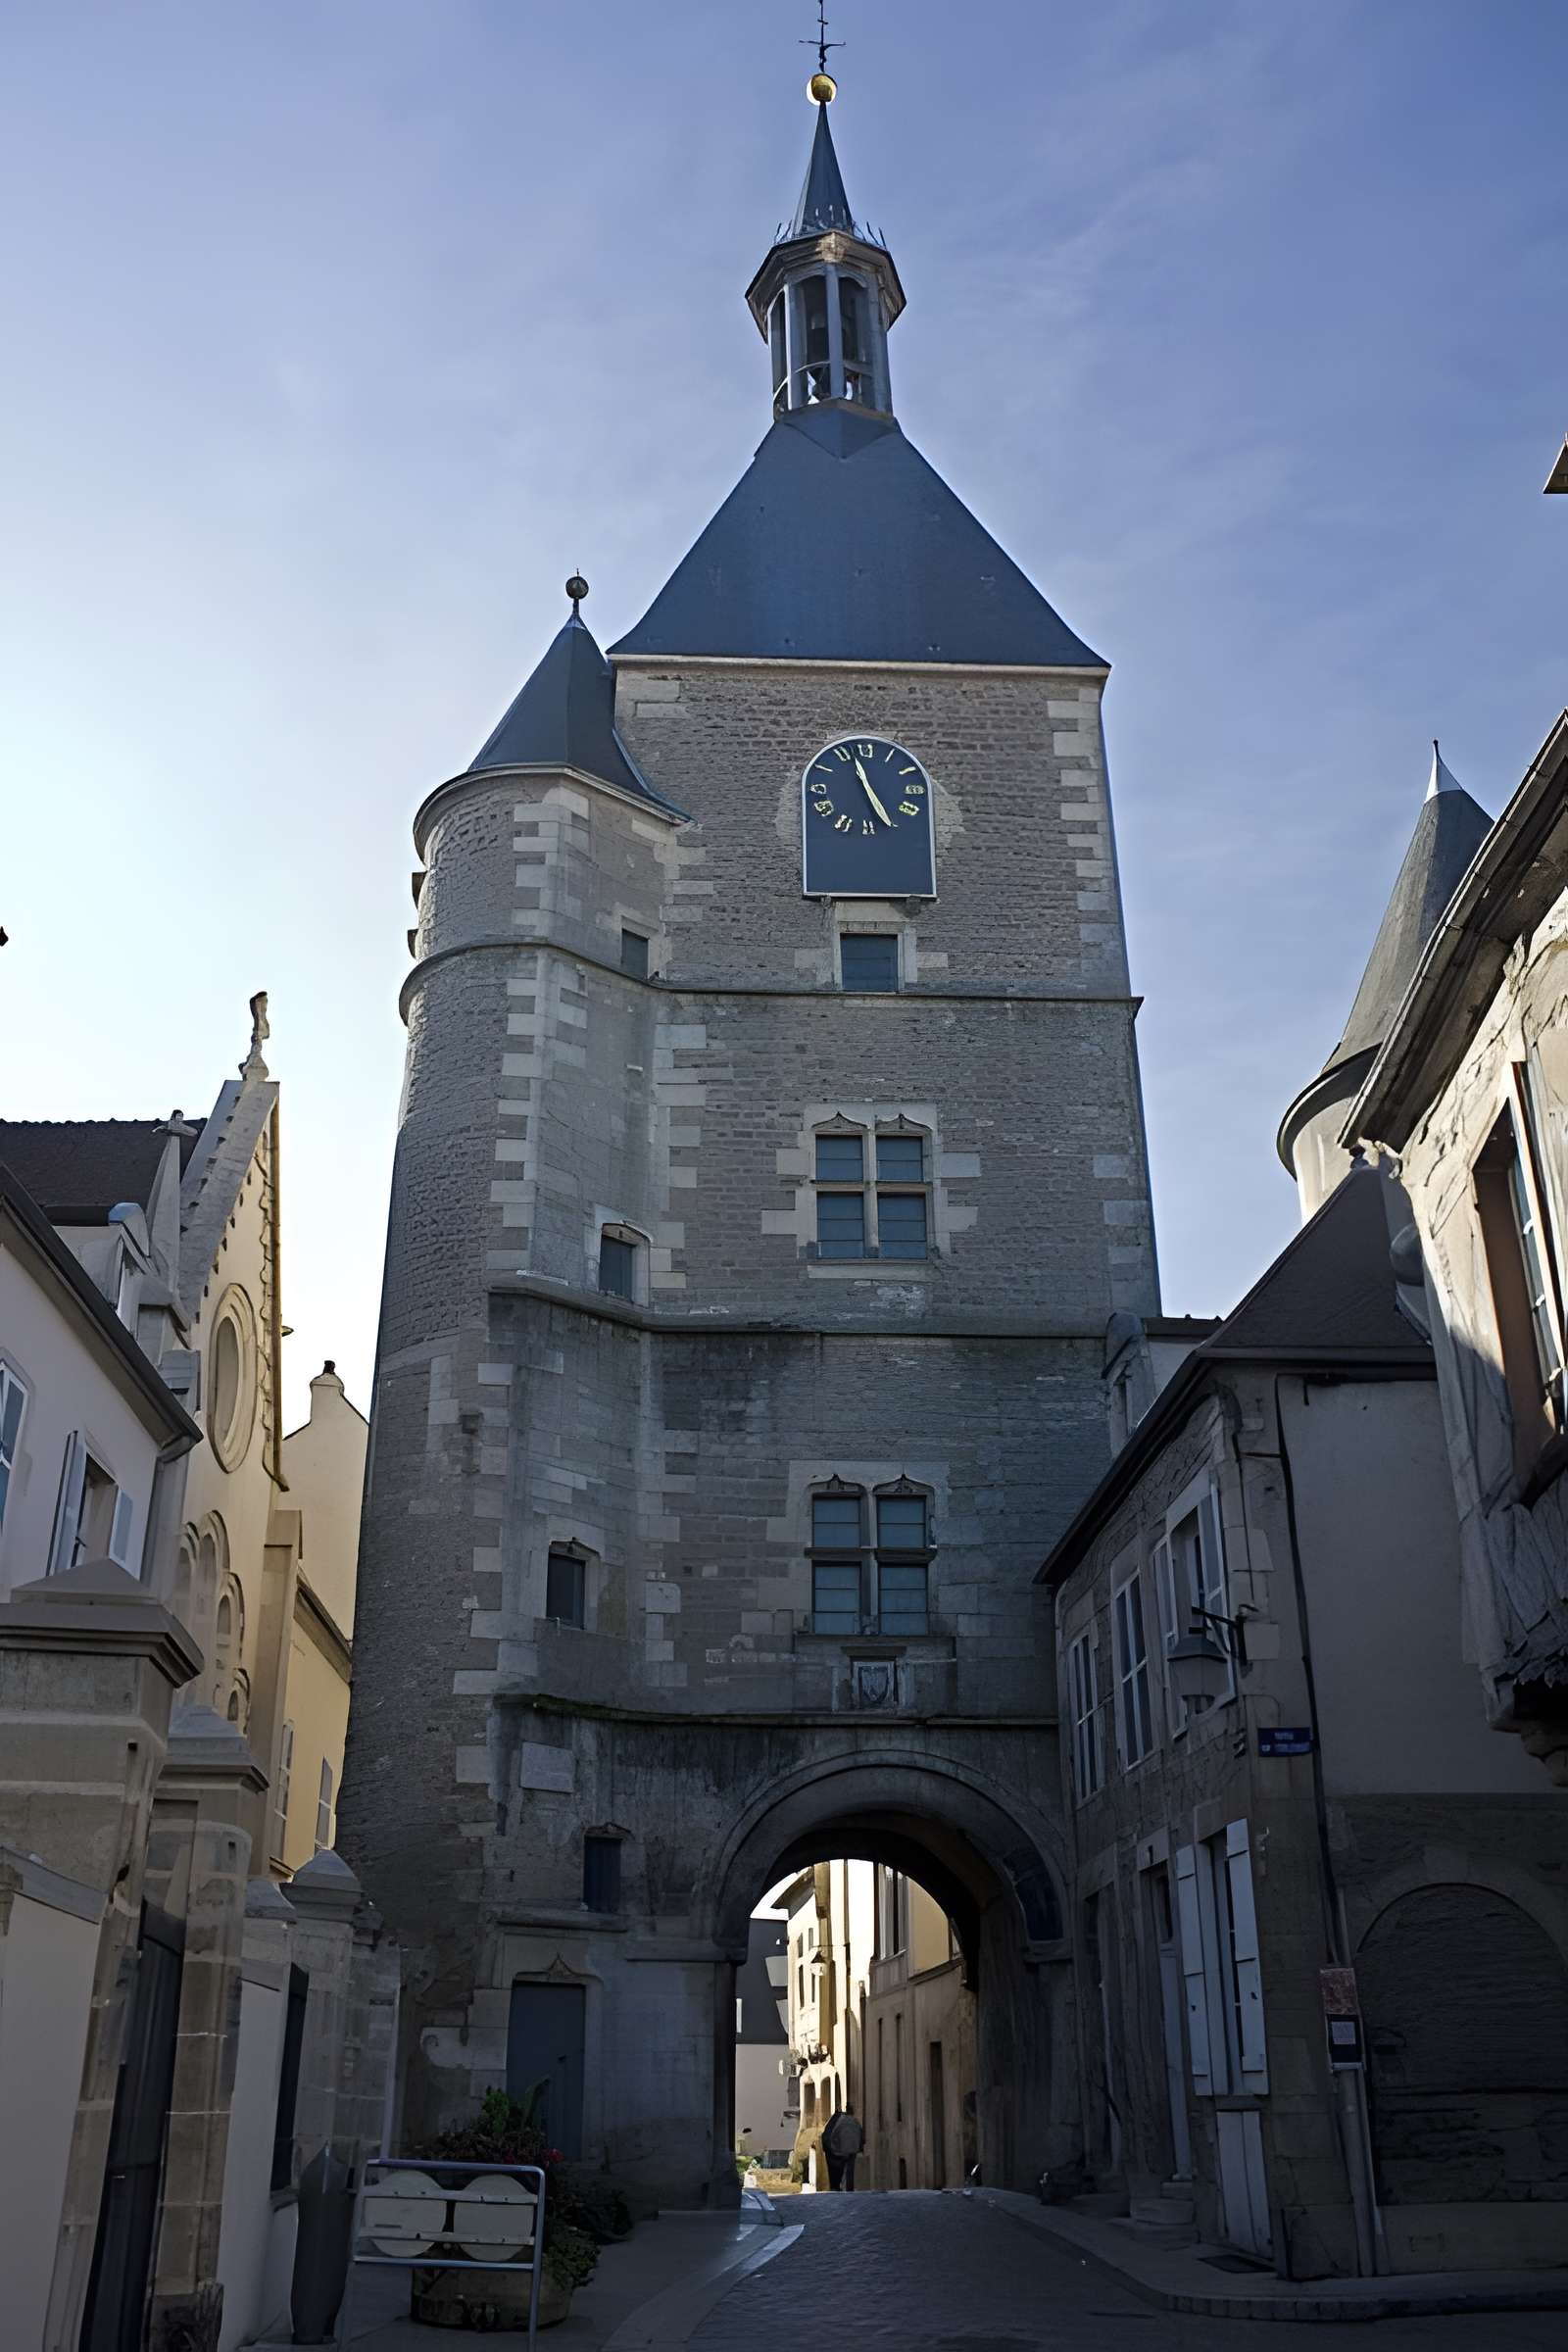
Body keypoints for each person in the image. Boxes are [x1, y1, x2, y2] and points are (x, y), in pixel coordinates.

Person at [821, 2104, 864, 2191]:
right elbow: (861, 2135)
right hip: (853, 2150)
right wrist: (859, 2147)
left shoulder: (839, 2121)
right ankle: (849, 2188)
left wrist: (833, 2148)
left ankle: (837, 2187)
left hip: (841, 2150)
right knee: (850, 2171)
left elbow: (832, 2135)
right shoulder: (855, 2121)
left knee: (838, 2171)